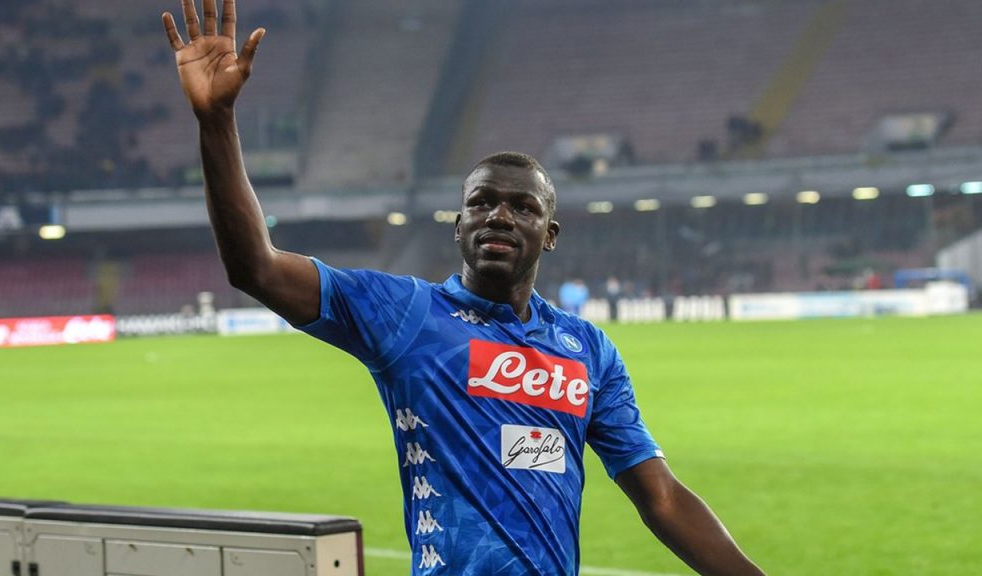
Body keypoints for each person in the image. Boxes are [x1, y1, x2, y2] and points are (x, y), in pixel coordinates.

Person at [161, 1, 765, 574]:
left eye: (522, 207)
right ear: (459, 226)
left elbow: (662, 498)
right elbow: (257, 268)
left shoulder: (588, 351)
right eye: (481, 203)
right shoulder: (405, 313)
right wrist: (217, 123)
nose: (499, 216)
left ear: (550, 235)